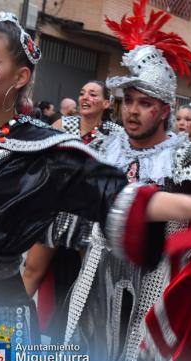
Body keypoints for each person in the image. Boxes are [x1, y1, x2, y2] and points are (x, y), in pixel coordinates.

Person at [0, 12, 191, 361]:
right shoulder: (104, 144)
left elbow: (111, 193)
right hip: (95, 265)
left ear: (21, 77)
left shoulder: (43, 149)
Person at [22, 80, 124, 333]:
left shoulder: (116, 135)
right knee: (32, 271)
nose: (85, 97)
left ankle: (83, 336)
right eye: (82, 93)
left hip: (91, 216)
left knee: (90, 282)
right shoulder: (63, 125)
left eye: (93, 94)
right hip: (56, 212)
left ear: (106, 103)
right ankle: (12, 325)